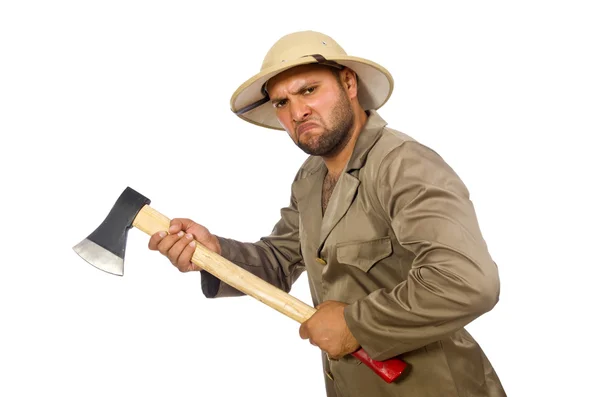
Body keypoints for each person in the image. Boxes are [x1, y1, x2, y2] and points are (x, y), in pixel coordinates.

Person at [148, 30, 506, 396]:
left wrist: (355, 324)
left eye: (309, 90)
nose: (297, 112)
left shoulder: (404, 165)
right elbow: (278, 260)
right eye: (281, 102)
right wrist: (214, 255)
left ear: (348, 83)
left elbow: (468, 282)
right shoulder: (311, 177)